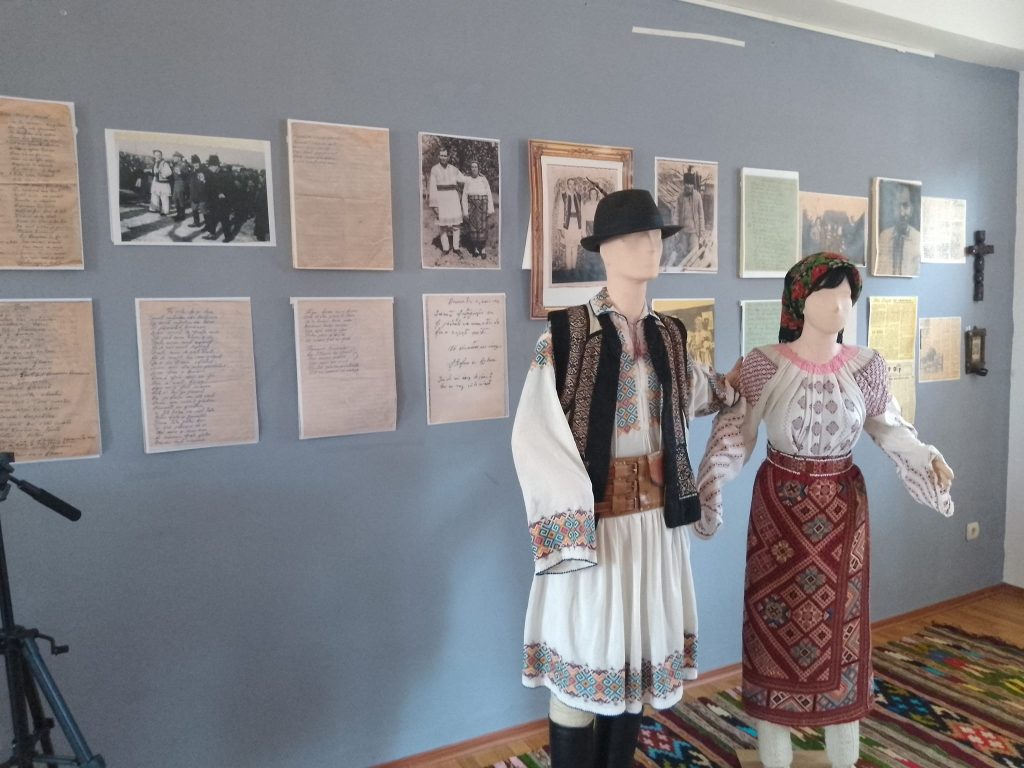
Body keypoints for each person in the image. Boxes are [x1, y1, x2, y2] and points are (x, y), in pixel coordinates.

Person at [695, 252, 954, 768]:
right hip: (779, 511)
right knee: (772, 624)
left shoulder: (867, 366)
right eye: (827, 293)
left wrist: (927, 458)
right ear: (798, 300)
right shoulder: (764, 364)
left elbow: (889, 427)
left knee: (843, 626)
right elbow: (736, 433)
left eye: (847, 295)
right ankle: (776, 755)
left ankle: (843, 756)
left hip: (842, 508)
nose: (840, 304)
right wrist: (708, 486)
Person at [512, 189, 741, 768]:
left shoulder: (670, 335)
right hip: (596, 531)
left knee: (635, 660)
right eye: (637, 237)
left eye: (656, 236)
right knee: (585, 661)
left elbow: (694, 392)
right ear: (607, 250)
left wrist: (733, 388)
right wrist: (570, 530)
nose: (652, 247)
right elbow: (534, 435)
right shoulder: (564, 337)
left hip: (655, 528)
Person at [875, 184, 921, 276]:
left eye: (905, 205)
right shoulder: (883, 237)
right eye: (897, 206)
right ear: (892, 208)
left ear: (912, 209)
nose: (901, 213)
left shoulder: (918, 239)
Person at [427, 147, 465, 256]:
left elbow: (463, 179)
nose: (443, 158)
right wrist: (434, 205)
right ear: (439, 156)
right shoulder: (434, 169)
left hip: (453, 199)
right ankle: (445, 248)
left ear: (448, 157)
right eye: (441, 155)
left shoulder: (454, 169)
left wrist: (473, 178)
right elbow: (432, 188)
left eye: (445, 156)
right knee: (443, 226)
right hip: (441, 200)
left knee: (456, 224)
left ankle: (456, 247)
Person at [460, 160, 493, 258]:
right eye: (472, 167)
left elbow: (489, 193)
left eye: (475, 167)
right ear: (470, 169)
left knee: (483, 228)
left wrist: (490, 209)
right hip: (472, 207)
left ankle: (483, 249)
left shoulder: (483, 179)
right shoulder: (468, 180)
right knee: (473, 228)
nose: (474, 169)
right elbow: (464, 196)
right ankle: (475, 248)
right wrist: (465, 212)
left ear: (478, 169)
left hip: (483, 207)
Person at [674, 171, 704, 268]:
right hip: (683, 232)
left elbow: (701, 216)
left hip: (694, 232)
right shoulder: (680, 196)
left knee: (693, 255)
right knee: (683, 255)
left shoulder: (698, 196)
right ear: (684, 184)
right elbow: (676, 214)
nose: (689, 186)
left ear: (693, 185)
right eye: (687, 183)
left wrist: (701, 234)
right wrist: (675, 231)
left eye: (691, 184)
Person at [202, 155, 231, 241]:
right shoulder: (211, 174)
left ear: (215, 166)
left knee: (224, 219)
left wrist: (223, 193)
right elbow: (209, 186)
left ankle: (228, 236)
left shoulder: (224, 174)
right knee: (212, 218)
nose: (209, 168)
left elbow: (229, 187)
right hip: (213, 200)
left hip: (222, 201)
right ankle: (212, 234)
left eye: (210, 166)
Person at [559, 179, 583, 273]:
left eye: (573, 184)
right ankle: (569, 269)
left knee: (575, 246)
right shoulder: (564, 196)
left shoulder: (578, 197)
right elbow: (561, 213)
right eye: (570, 184)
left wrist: (582, 228)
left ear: (575, 185)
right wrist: (561, 228)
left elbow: (582, 213)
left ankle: (574, 269)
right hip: (567, 225)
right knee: (568, 247)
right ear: (567, 185)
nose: (572, 186)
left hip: (576, 224)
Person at [149, 149, 173, 215]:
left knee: (164, 196)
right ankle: (154, 208)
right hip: (156, 181)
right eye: (156, 155)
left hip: (163, 183)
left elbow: (169, 172)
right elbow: (154, 171)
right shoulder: (155, 163)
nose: (157, 156)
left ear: (161, 155)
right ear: (154, 156)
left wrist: (162, 174)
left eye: (159, 155)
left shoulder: (164, 163)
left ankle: (165, 211)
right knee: (154, 194)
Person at [187, 154, 207, 228]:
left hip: (202, 195)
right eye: (194, 163)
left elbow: (206, 182)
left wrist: (204, 181)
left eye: (197, 163)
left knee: (204, 210)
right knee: (194, 209)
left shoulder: (204, 171)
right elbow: (190, 182)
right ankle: (196, 222)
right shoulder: (192, 172)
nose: (196, 165)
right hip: (194, 194)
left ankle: (208, 225)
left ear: (199, 163)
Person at [171, 152, 190, 222]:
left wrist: (180, 173)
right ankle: (178, 214)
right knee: (175, 199)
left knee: (180, 199)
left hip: (181, 182)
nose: (173, 158)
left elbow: (186, 174)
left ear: (179, 158)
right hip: (176, 182)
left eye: (174, 157)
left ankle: (182, 215)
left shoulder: (183, 164)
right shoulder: (176, 164)